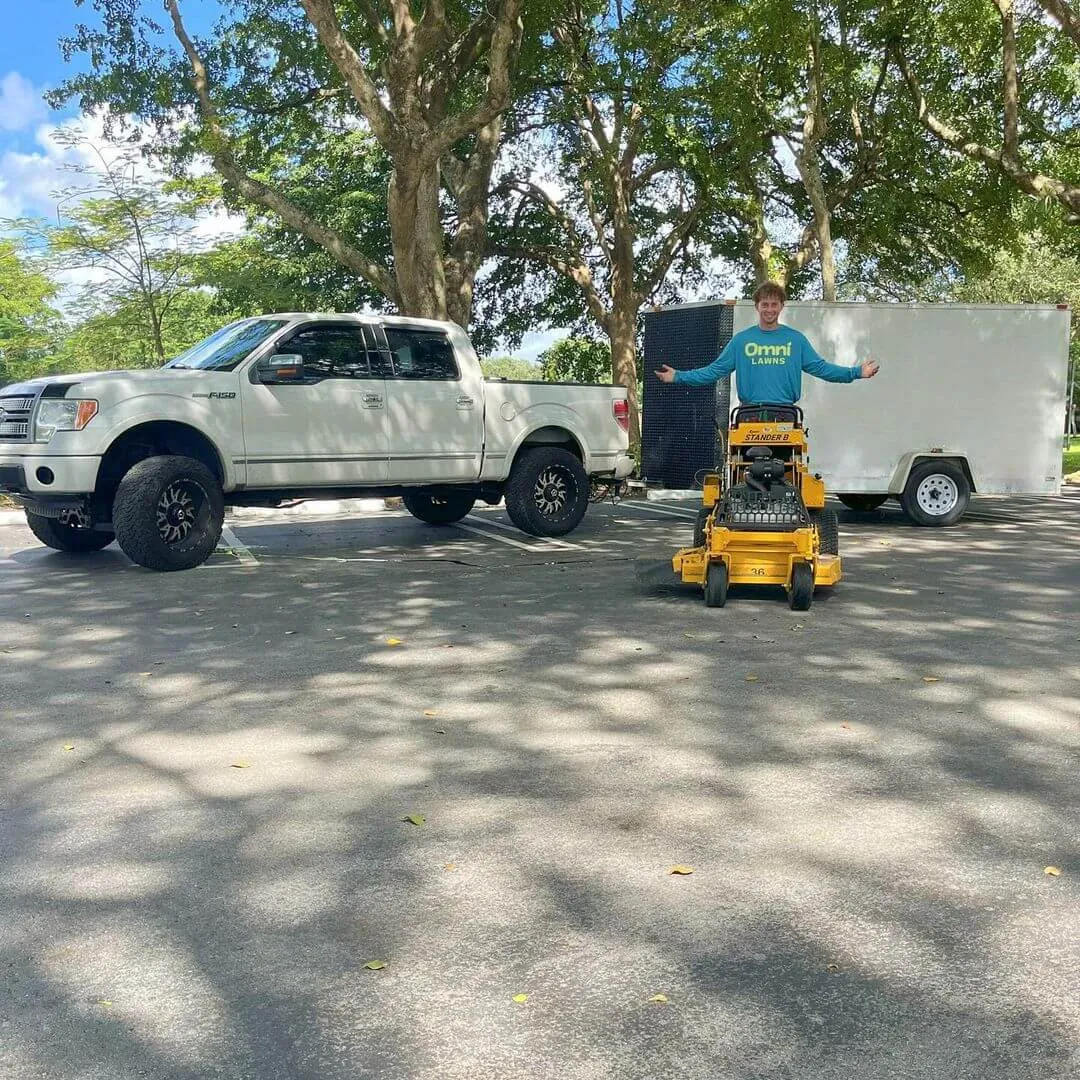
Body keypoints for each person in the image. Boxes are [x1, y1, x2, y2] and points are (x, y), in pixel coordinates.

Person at [654, 282, 879, 402]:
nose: (769, 309)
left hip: (786, 416)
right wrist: (678, 376)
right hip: (749, 415)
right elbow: (713, 371)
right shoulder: (742, 341)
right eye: (765, 304)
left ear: (781, 306)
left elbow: (821, 368)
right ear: (757, 307)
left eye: (774, 304)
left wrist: (856, 372)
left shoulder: (795, 340)